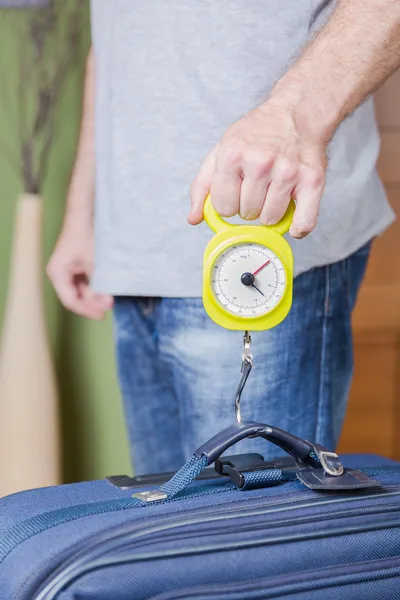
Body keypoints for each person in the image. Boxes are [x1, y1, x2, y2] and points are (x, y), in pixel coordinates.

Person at [48, 1, 399, 475]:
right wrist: (83, 209)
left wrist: (294, 117)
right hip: (134, 251)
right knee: (171, 531)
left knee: (256, 534)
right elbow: (115, 39)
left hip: (268, 245)